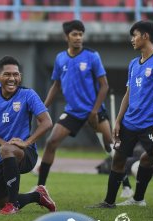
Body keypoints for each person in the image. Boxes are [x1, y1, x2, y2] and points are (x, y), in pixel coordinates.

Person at [89, 21, 153, 208]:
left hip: (150, 124)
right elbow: (128, 95)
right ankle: (109, 202)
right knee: (118, 161)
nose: (132, 39)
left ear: (145, 36)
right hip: (129, 123)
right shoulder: (133, 64)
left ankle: (138, 198)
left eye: (135, 35)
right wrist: (117, 121)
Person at [36, 20, 118, 188]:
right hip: (73, 112)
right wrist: (42, 107)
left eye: (81, 34)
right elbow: (56, 85)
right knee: (51, 142)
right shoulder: (60, 58)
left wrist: (94, 112)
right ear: (66, 36)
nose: (78, 37)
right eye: (75, 34)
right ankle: (41, 187)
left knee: (110, 146)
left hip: (94, 111)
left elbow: (104, 86)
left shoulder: (92, 56)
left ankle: (126, 187)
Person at [0, 55, 56, 215]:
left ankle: (13, 205)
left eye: (16, 74)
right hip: (3, 153)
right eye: (7, 74)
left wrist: (27, 142)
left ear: (20, 76)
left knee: (7, 151)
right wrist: (3, 143)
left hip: (26, 153)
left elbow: (47, 122)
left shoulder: (28, 95)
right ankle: (38, 196)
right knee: (0, 202)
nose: (12, 78)